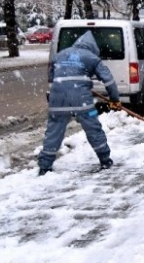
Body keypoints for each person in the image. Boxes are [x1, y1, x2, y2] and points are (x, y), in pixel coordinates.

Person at [38, 31, 122, 176]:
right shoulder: (92, 58)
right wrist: (114, 100)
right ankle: (105, 159)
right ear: (93, 48)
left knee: (53, 132)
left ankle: (45, 166)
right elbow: (109, 81)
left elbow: (52, 77)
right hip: (82, 101)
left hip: (57, 99)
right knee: (93, 128)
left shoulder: (60, 54)